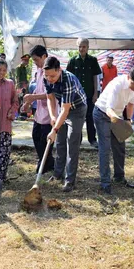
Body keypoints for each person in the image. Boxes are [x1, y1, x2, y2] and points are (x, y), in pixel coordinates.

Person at [93, 66, 134, 194]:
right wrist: (117, 121)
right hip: (103, 114)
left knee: (120, 146)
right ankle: (105, 183)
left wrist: (128, 120)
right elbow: (108, 109)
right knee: (105, 148)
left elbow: (131, 103)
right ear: (128, 77)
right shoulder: (116, 85)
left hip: (117, 116)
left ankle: (119, 177)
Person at [44, 56, 87, 192]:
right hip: (63, 109)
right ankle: (57, 174)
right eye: (47, 76)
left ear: (59, 70)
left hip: (77, 109)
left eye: (52, 76)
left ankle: (70, 181)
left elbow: (65, 109)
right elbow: (50, 99)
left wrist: (54, 129)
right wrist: (52, 117)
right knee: (60, 143)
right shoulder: (46, 77)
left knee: (71, 142)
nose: (49, 79)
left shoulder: (68, 80)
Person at [23, 45, 55, 174]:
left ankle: (46, 163)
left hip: (50, 112)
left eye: (36, 60)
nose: (35, 63)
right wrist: (28, 102)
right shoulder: (39, 71)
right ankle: (46, 161)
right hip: (39, 111)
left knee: (45, 140)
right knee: (35, 136)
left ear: (44, 57)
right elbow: (38, 89)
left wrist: (34, 97)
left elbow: (51, 95)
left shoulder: (52, 72)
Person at [66, 38, 102, 148]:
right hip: (76, 97)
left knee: (90, 117)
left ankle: (92, 139)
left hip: (90, 94)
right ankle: (78, 140)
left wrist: (96, 93)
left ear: (87, 47)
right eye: (80, 46)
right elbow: (68, 78)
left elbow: (95, 77)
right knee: (77, 119)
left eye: (84, 46)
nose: (81, 49)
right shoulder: (72, 61)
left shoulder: (93, 60)